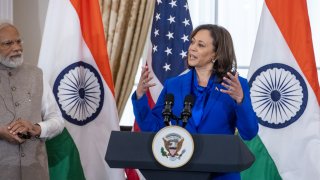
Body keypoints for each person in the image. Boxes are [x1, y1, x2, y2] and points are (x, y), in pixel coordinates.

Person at [132, 24, 258, 179]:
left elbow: (249, 133)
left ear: (216, 54)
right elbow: (154, 128)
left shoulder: (235, 85)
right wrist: (140, 97)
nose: (192, 48)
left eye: (200, 45)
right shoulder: (173, 85)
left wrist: (241, 100)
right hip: (182, 170)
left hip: (222, 172)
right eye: (192, 42)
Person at [0, 22, 64, 180]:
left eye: (19, 41)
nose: (17, 48)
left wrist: (37, 128)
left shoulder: (37, 74)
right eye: (8, 43)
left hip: (35, 171)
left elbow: (57, 120)